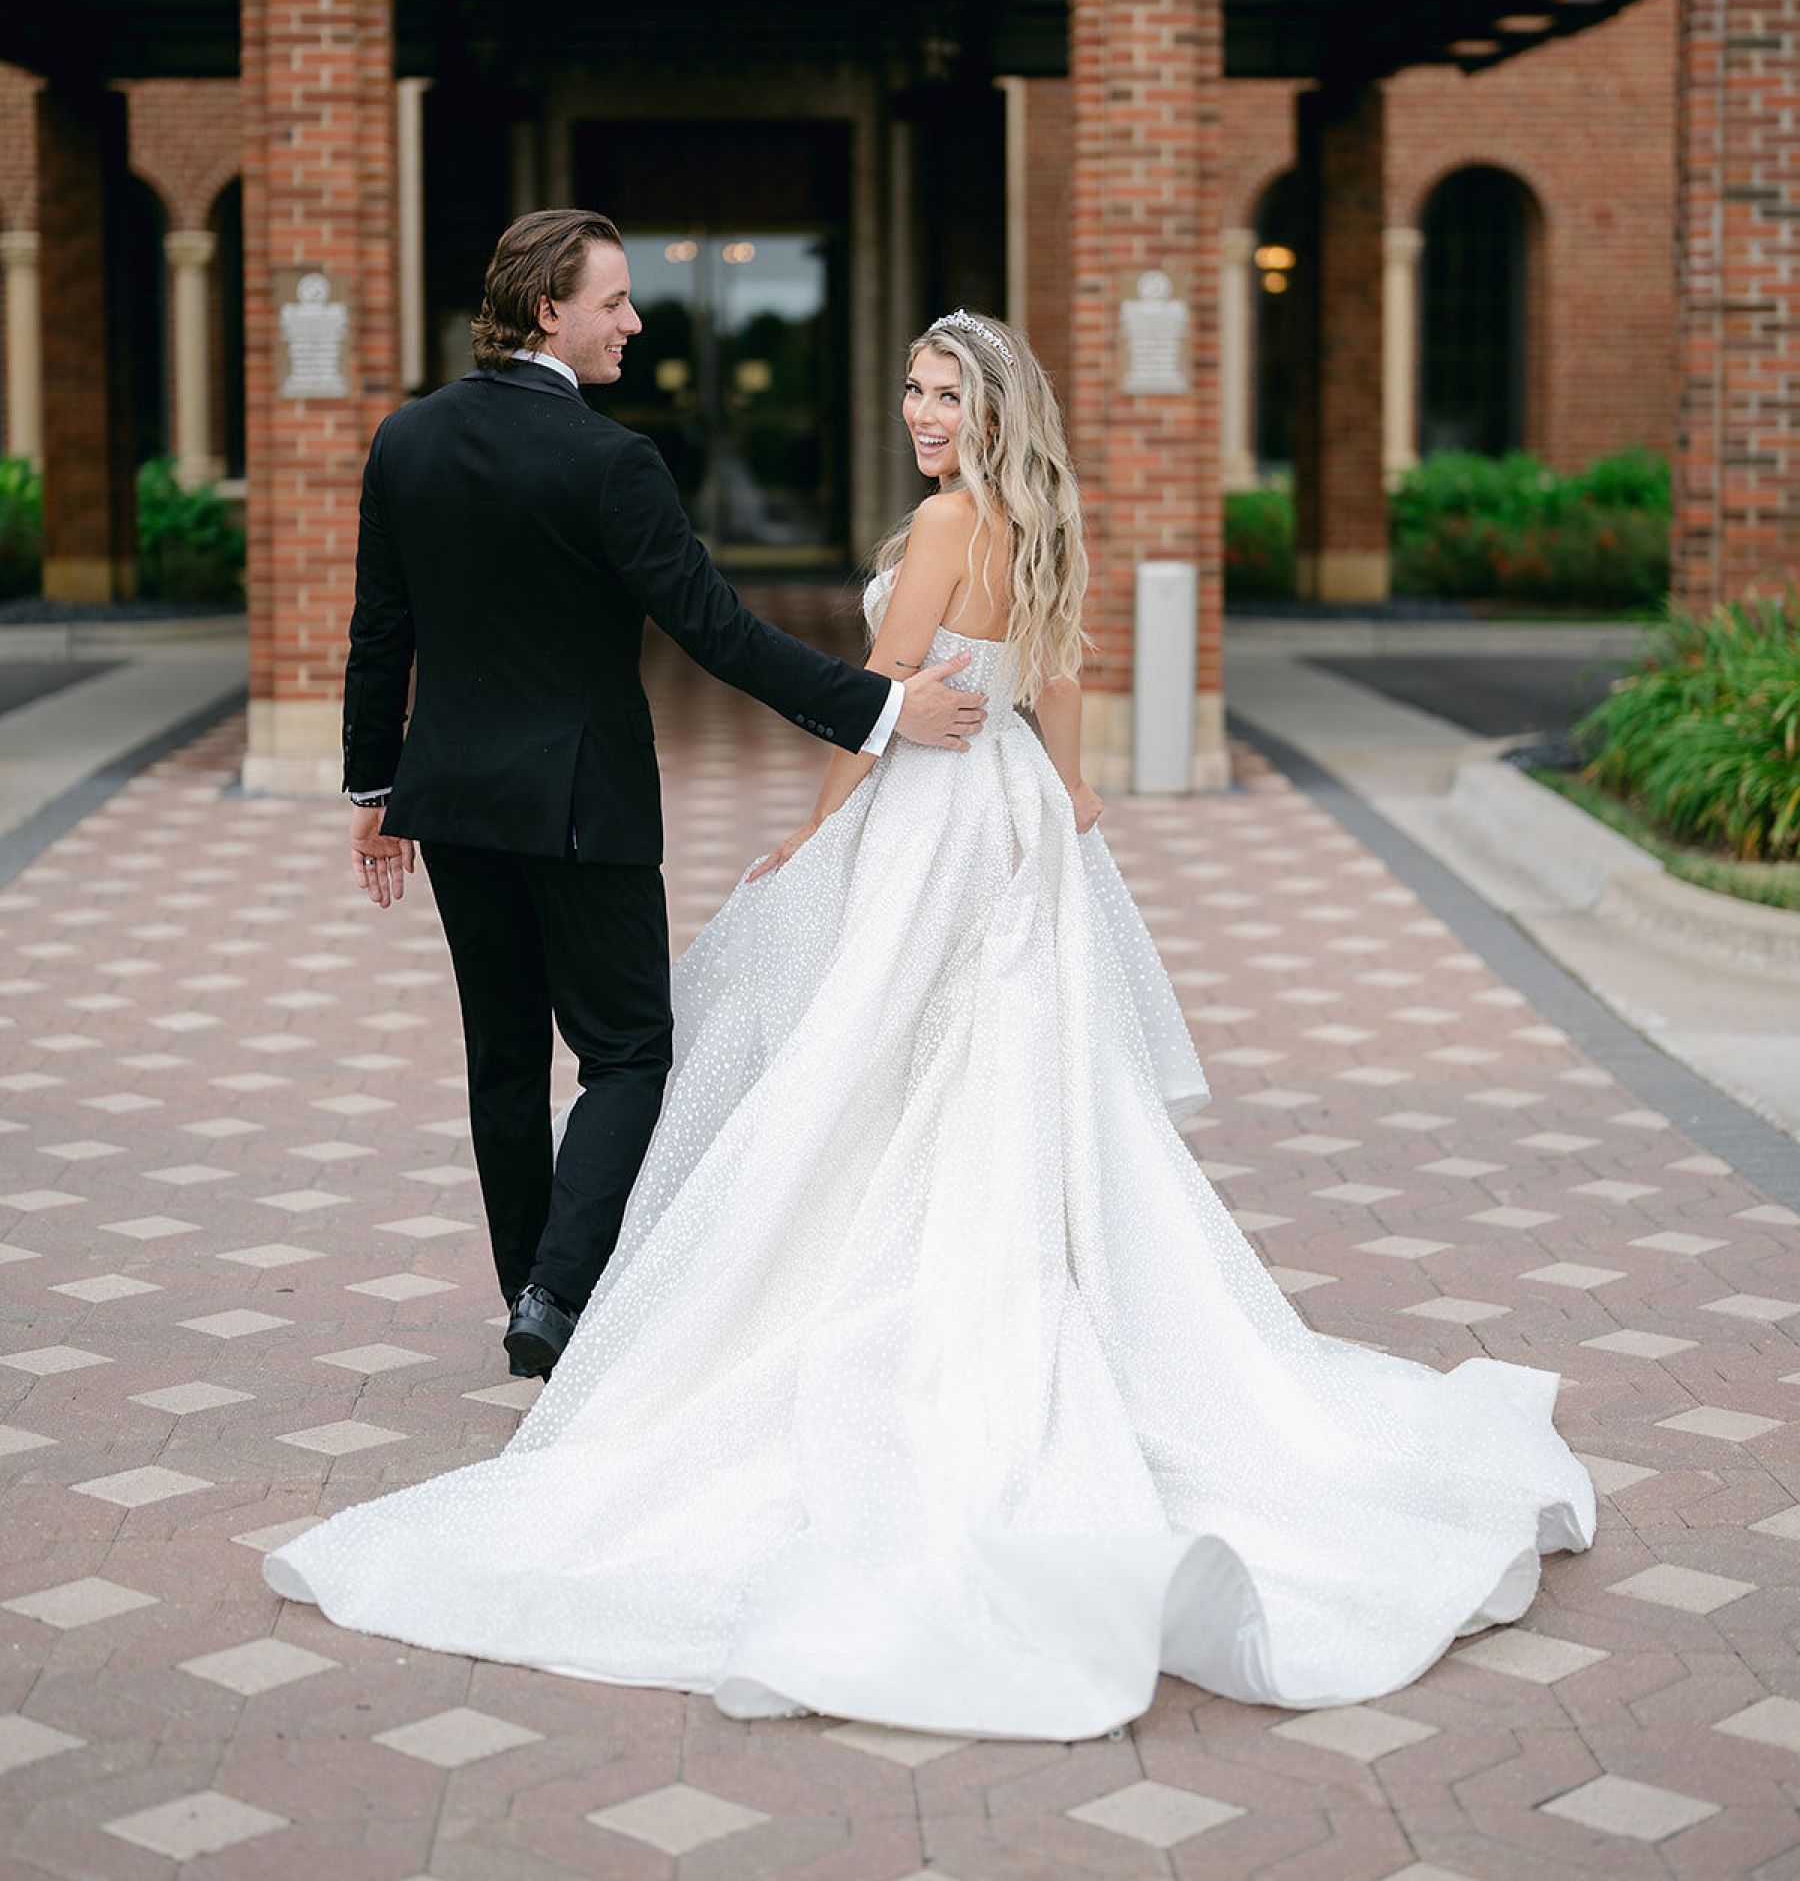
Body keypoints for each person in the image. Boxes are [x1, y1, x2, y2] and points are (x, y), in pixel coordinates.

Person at [271, 308, 1596, 1740]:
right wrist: (1072, 796)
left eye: (945, 394)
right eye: (909, 388)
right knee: (988, 1070)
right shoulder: (1034, 521)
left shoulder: (952, 524)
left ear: (993, 412)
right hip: (1011, 812)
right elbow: (1063, 673)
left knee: (857, 1062)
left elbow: (880, 709)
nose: (920, 414)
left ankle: (756, 1301)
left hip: (930, 824)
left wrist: (812, 837)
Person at [337, 209, 986, 1381]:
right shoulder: (610, 461)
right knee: (629, 1054)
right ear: (551, 310)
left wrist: (373, 789)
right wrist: (884, 709)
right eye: (616, 302)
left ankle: (534, 1290)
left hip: (454, 803)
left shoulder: (407, 439)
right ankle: (557, 1290)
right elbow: (717, 633)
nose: (636, 322)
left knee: (500, 1060)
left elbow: (380, 627)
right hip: (585, 806)